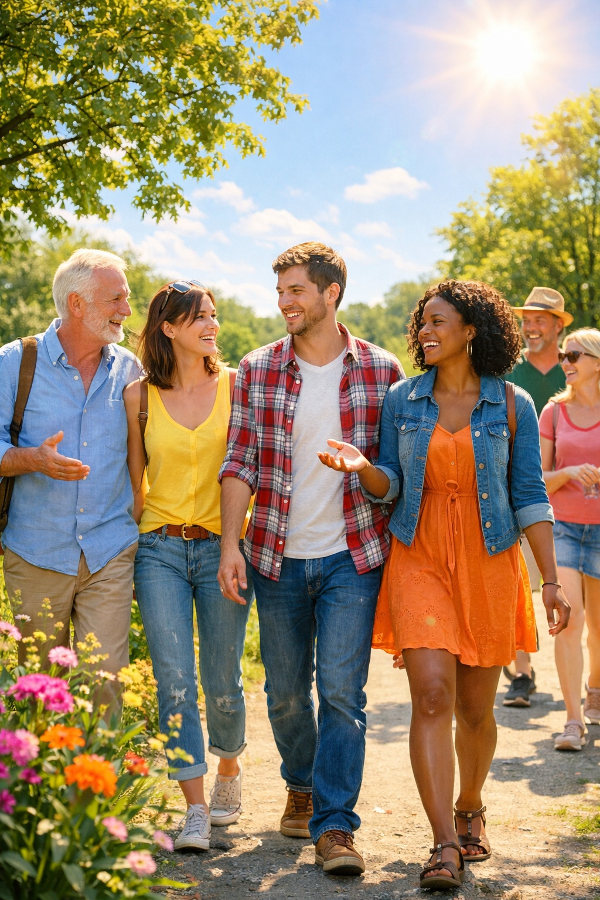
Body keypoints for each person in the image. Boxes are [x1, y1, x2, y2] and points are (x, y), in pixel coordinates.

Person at [319, 280, 570, 892]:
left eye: (438, 321)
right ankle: (444, 845)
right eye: (421, 322)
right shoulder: (403, 399)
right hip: (420, 556)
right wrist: (364, 471)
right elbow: (393, 485)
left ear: (471, 329)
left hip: (488, 562)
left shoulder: (511, 404)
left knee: (474, 709)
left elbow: (530, 495)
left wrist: (552, 582)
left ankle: (471, 804)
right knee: (431, 695)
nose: (424, 332)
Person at [217, 242, 404, 876]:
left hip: (354, 554)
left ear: (331, 293)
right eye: (280, 292)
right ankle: (300, 780)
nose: (284, 303)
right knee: (287, 694)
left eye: (296, 291)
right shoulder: (257, 367)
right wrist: (228, 542)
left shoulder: (382, 371)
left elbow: (396, 479)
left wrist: (365, 469)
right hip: (277, 554)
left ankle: (335, 826)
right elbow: (239, 460)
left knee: (345, 696)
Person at [124, 281, 253, 852]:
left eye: (213, 315)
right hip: (159, 551)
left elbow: (251, 467)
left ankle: (229, 768)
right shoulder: (138, 397)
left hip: (225, 548)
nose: (211, 325)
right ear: (168, 328)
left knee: (222, 679)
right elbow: (135, 485)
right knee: (174, 680)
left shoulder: (236, 386)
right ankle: (194, 807)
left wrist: (238, 543)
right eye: (198, 317)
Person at [0, 249, 141, 716]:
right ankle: (42, 785)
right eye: (115, 299)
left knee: (106, 684)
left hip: (109, 550)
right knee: (40, 691)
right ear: (76, 304)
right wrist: (30, 459)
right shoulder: (13, 364)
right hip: (35, 551)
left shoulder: (130, 369)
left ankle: (104, 786)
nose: (126, 309)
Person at [503, 287, 572, 707]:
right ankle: (522, 673)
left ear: (559, 325)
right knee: (518, 582)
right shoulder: (510, 372)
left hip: (579, 497)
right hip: (523, 495)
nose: (530, 327)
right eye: (526, 320)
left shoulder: (578, 368)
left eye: (540, 320)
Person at [539, 328, 600, 751]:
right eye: (563, 354)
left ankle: (595, 689)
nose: (566, 361)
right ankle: (573, 721)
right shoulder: (553, 414)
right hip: (563, 528)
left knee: (598, 629)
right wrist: (566, 474)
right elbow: (536, 479)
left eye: (575, 354)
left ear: (597, 361)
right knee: (570, 622)